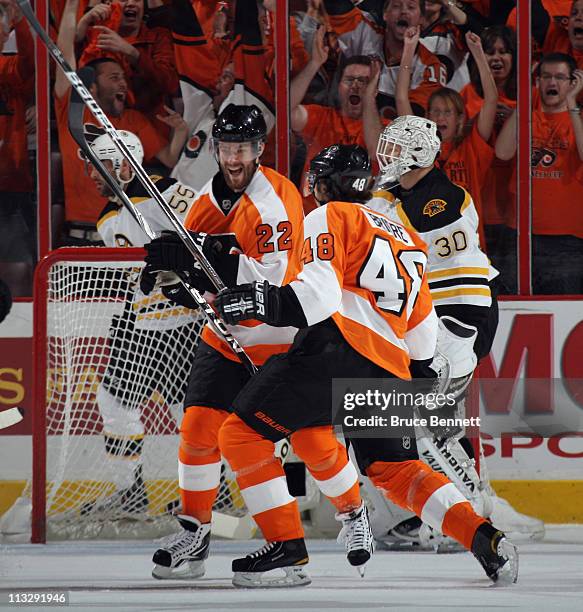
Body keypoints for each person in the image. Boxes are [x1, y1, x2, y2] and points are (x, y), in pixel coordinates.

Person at [213, 141, 518, 588]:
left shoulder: (327, 216)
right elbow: (422, 330)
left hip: (336, 351)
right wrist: (411, 378)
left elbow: (317, 297)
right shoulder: (404, 235)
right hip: (393, 366)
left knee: (241, 434)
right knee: (395, 470)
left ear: (320, 183)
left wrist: (262, 301)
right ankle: (484, 538)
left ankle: (287, 553)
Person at [140, 103, 310, 581]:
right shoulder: (203, 201)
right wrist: (175, 277)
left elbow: (271, 284)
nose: (234, 159)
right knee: (196, 430)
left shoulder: (277, 200)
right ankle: (194, 536)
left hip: (277, 340)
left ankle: (287, 548)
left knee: (257, 445)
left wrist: (210, 255)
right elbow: (196, 282)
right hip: (224, 337)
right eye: (227, 148)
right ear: (216, 149)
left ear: (258, 150)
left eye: (244, 149)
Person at [366, 115, 544, 548]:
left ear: (421, 155)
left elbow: (458, 282)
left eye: (396, 149)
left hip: (460, 315)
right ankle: (409, 511)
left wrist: (455, 337)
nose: (386, 156)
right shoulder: (393, 194)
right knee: (386, 413)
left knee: (429, 419)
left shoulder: (444, 199)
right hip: (425, 320)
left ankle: (471, 507)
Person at [54, 0, 189, 246]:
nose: (123, 84)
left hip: (121, 237)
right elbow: (62, 52)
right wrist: (73, 5)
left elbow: (169, 158)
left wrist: (181, 130)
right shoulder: (70, 111)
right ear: (92, 86)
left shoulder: (132, 120)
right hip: (77, 238)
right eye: (114, 78)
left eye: (124, 78)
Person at [495, 52, 583, 294]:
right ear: (537, 82)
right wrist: (524, 99)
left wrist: (573, 103)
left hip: (567, 241)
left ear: (572, 82)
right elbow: (502, 152)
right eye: (545, 76)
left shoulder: (578, 120)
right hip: (521, 235)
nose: (552, 83)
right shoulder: (526, 117)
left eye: (559, 77)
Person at [0, 0, 35, 297]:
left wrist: (20, 20)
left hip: (10, 192)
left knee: (18, 270)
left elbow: (30, 61)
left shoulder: (9, 70)